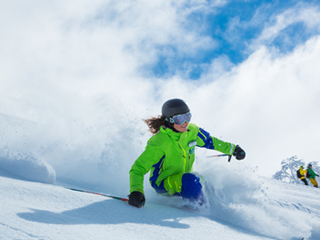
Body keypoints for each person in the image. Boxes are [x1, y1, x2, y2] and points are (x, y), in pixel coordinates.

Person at [128, 98, 246, 208]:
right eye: (179, 119)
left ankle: (222, 209)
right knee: (191, 181)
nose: (185, 122)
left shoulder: (192, 131)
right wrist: (136, 192)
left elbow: (210, 141)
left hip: (184, 178)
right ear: (169, 120)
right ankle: (199, 212)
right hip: (164, 183)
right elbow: (137, 169)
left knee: (209, 183)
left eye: (187, 117)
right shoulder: (159, 143)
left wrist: (233, 149)